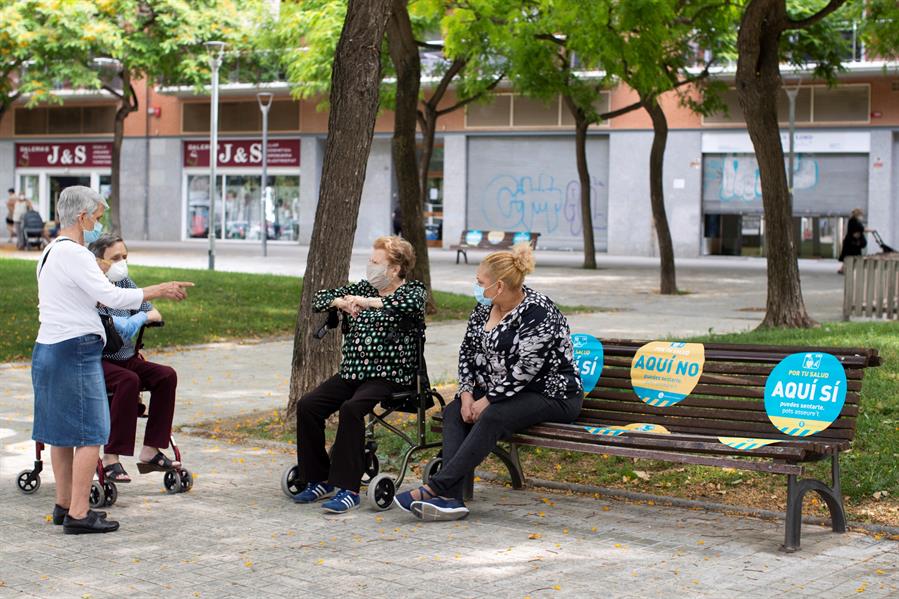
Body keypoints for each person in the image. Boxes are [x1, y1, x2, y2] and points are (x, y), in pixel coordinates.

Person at [31, 186, 192, 534]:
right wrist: (159, 289)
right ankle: (78, 514)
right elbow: (111, 295)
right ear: (81, 216)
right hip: (76, 350)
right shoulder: (75, 254)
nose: (97, 224)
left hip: (48, 348)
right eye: (97, 217)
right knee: (92, 432)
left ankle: (62, 504)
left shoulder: (49, 253)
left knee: (60, 434)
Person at [394, 243, 583, 521]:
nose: (476, 286)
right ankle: (452, 499)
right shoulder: (484, 308)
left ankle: (436, 487)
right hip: (503, 392)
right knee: (453, 411)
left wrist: (488, 399)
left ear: (500, 285)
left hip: (552, 394)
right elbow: (467, 351)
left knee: (492, 415)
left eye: (480, 282)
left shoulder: (538, 311)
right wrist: (467, 394)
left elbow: (526, 369)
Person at [294, 236, 425, 514]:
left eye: (376, 262)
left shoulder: (412, 291)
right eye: (370, 261)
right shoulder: (363, 287)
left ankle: (348, 489)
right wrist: (342, 302)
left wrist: (365, 302)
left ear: (395, 269)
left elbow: (404, 305)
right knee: (308, 405)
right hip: (353, 372)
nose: (370, 267)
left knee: (352, 409)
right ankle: (319, 479)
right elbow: (319, 299)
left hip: (389, 375)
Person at [88, 234, 180, 484]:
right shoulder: (91, 286)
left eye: (125, 257)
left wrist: (137, 318)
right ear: (97, 261)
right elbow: (114, 326)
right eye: (115, 258)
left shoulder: (126, 283)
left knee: (166, 375)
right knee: (128, 380)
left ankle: (150, 450)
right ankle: (111, 458)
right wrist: (136, 318)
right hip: (98, 360)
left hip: (127, 357)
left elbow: (154, 312)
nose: (122, 263)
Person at [838, 208, 869, 274]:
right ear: (858, 214)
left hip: (851, 242)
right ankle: (844, 269)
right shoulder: (853, 221)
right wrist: (871, 230)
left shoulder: (853, 221)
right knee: (851, 256)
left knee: (849, 256)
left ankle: (843, 269)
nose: (861, 217)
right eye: (860, 215)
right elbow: (861, 229)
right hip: (851, 243)